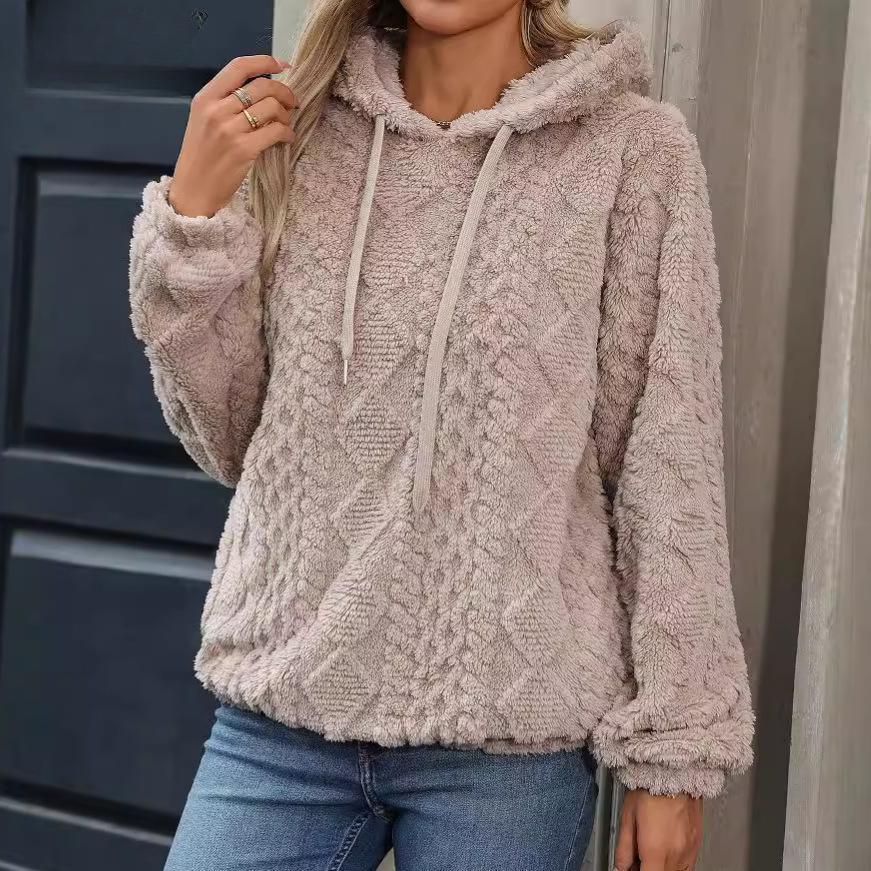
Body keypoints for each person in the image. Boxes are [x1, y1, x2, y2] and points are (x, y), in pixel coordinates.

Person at [127, 1, 755, 869]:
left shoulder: (631, 151)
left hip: (504, 743)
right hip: (281, 716)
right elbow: (230, 438)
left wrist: (675, 753)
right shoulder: (295, 129)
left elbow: (666, 457)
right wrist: (193, 220)